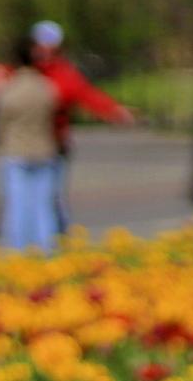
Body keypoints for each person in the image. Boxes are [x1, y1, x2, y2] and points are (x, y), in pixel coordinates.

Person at [24, 21, 134, 231]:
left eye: (50, 48)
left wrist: (113, 110)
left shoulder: (63, 73)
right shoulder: (22, 72)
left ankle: (54, 242)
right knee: (26, 200)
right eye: (40, 46)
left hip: (52, 145)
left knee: (50, 198)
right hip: (23, 146)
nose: (44, 52)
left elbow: (86, 95)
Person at [0, 35, 64, 252]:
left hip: (16, 151)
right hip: (44, 150)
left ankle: (17, 252)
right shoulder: (46, 87)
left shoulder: (9, 89)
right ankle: (47, 250)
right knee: (43, 207)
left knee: (17, 207)